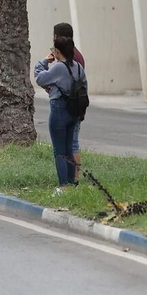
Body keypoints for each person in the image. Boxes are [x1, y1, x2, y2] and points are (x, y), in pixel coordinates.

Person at [36, 34, 89, 192]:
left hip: (59, 109)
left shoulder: (59, 67)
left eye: (54, 50)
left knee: (59, 151)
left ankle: (63, 185)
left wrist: (44, 61)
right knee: (68, 149)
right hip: (74, 111)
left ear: (58, 52)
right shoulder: (78, 67)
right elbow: (84, 86)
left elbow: (40, 78)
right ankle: (72, 184)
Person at [54, 22, 86, 182]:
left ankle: (74, 179)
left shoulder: (68, 58)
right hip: (77, 106)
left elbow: (43, 78)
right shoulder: (77, 55)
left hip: (69, 106)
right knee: (71, 144)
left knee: (71, 145)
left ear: (56, 37)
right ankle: (74, 179)